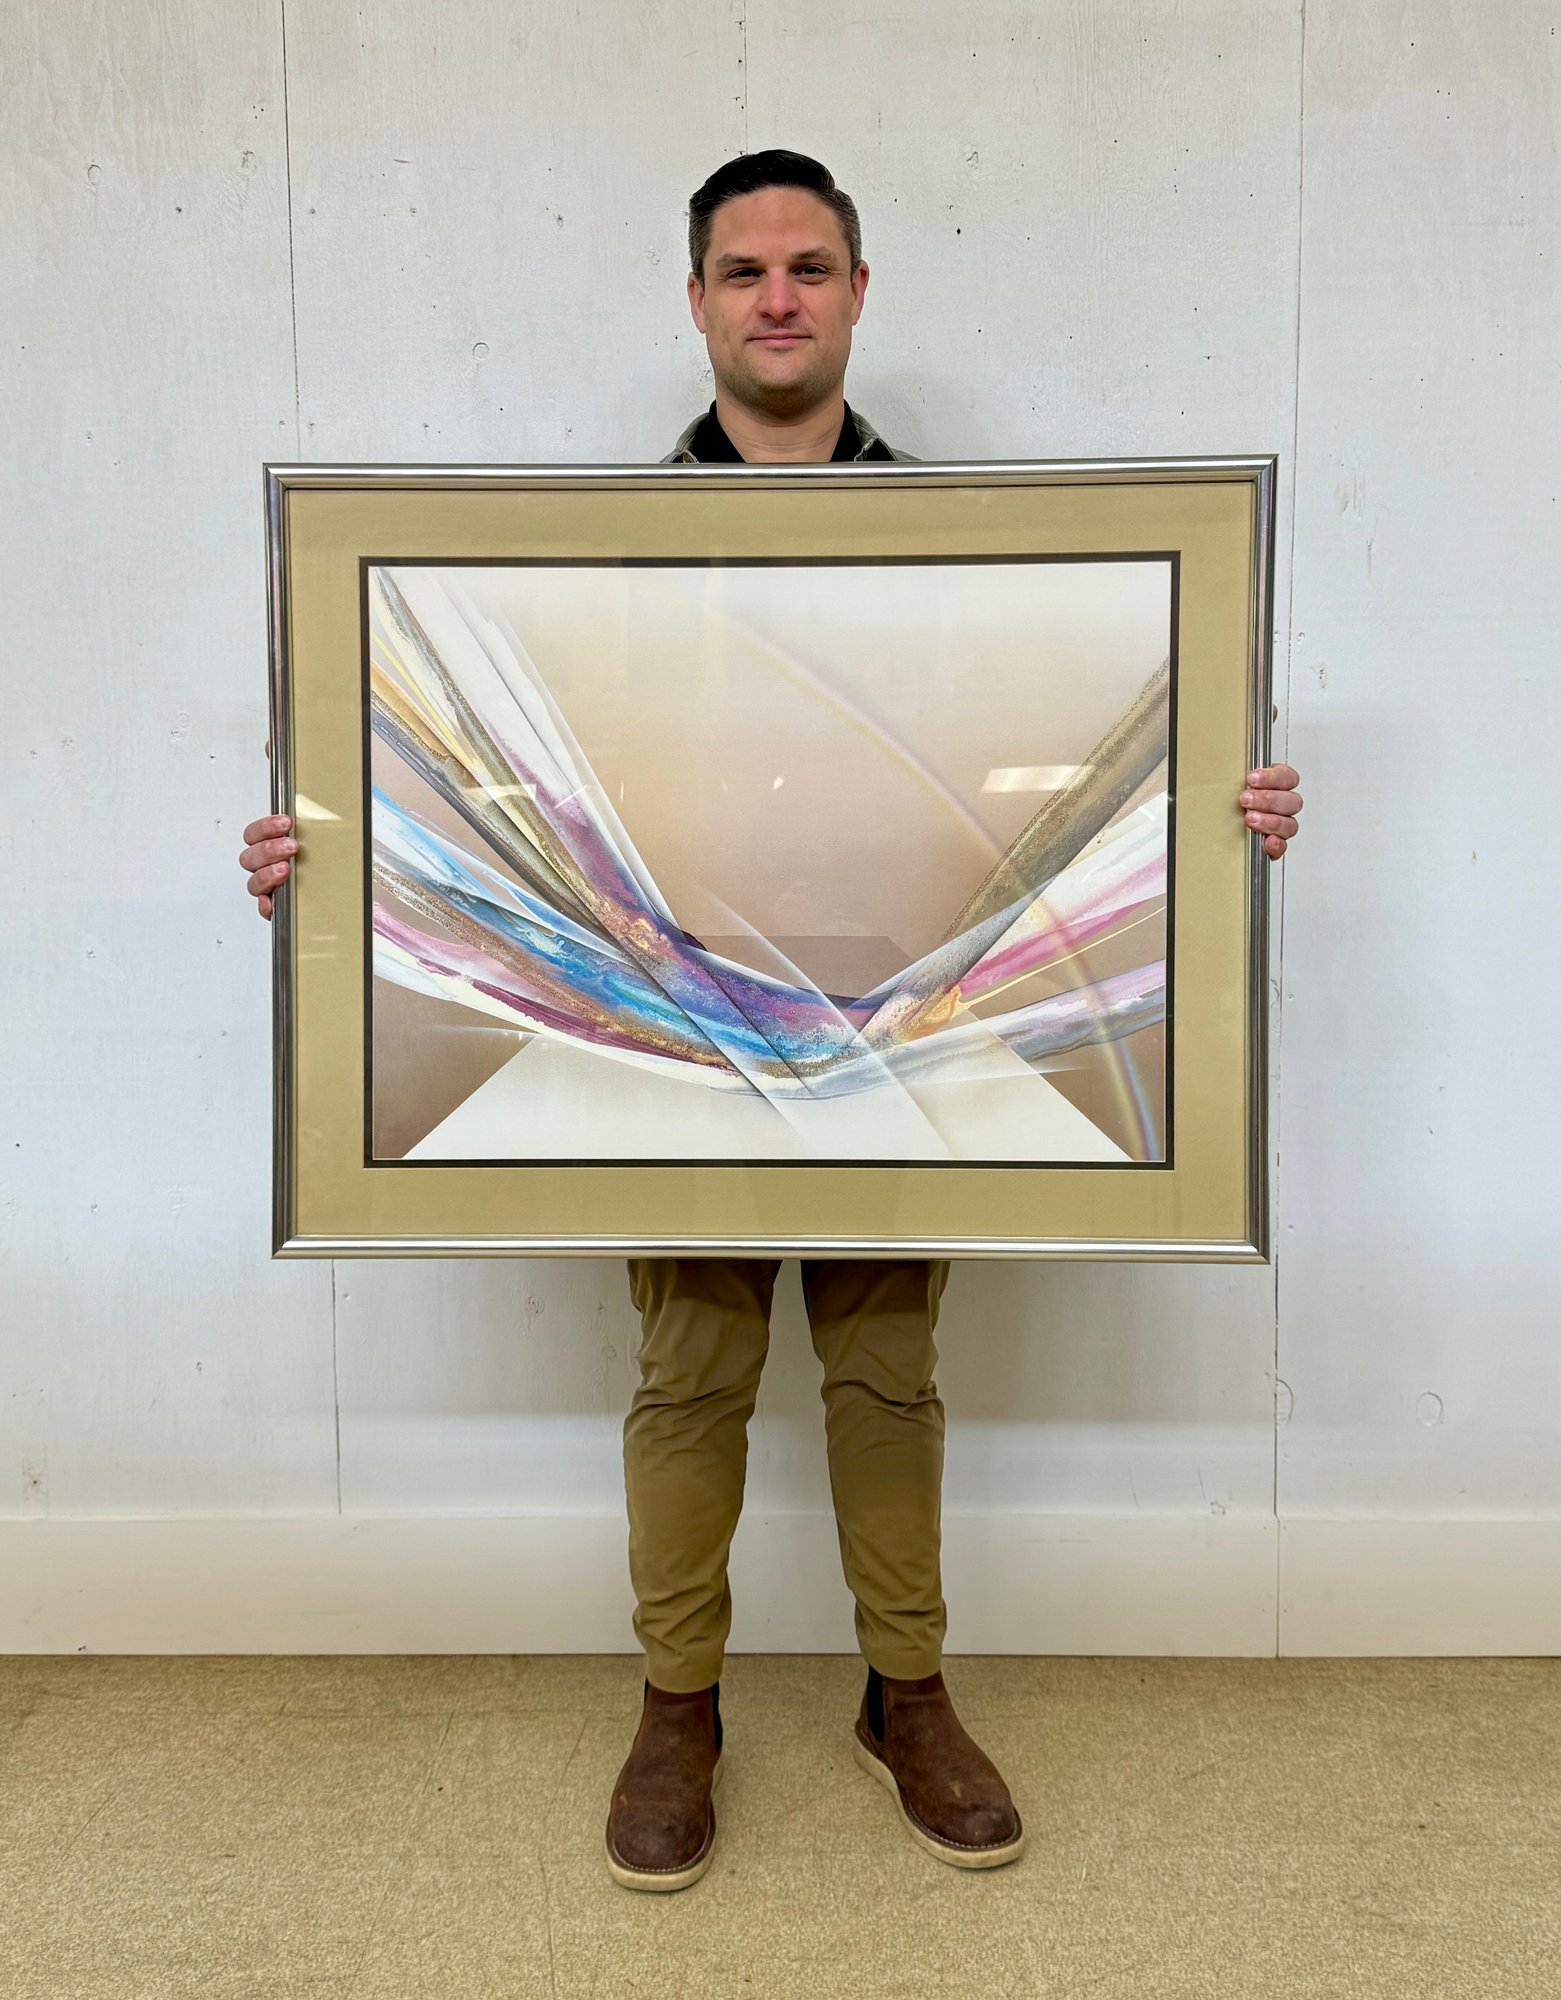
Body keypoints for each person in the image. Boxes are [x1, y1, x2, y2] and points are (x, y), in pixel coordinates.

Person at [239, 150, 1304, 1891]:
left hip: (904, 1023)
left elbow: (1048, 765)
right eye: (744, 271)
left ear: (859, 292)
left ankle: (906, 1694)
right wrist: (332, 851)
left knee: (885, 1373)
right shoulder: (591, 562)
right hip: (667, 1026)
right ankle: (680, 1707)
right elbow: (498, 794)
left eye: (810, 266)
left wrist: (1217, 816)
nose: (779, 296)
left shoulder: (973, 553)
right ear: (698, 304)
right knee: (691, 1372)